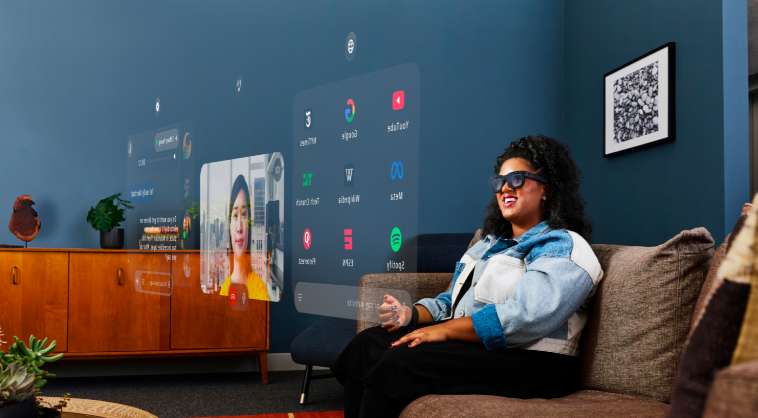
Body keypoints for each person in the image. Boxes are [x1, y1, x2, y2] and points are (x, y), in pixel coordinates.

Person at [332, 135, 604, 418]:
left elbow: (527, 316)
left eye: (517, 179)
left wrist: (445, 330)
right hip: (479, 347)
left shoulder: (562, 245)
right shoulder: (485, 245)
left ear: (547, 187)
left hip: (535, 360)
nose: (505, 188)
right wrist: (410, 315)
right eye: (500, 182)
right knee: (367, 345)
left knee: (399, 362)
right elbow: (449, 302)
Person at [219, 175, 269, 301]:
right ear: (229, 226)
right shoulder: (224, 290)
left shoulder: (261, 291)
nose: (239, 227)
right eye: (235, 215)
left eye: (244, 214)